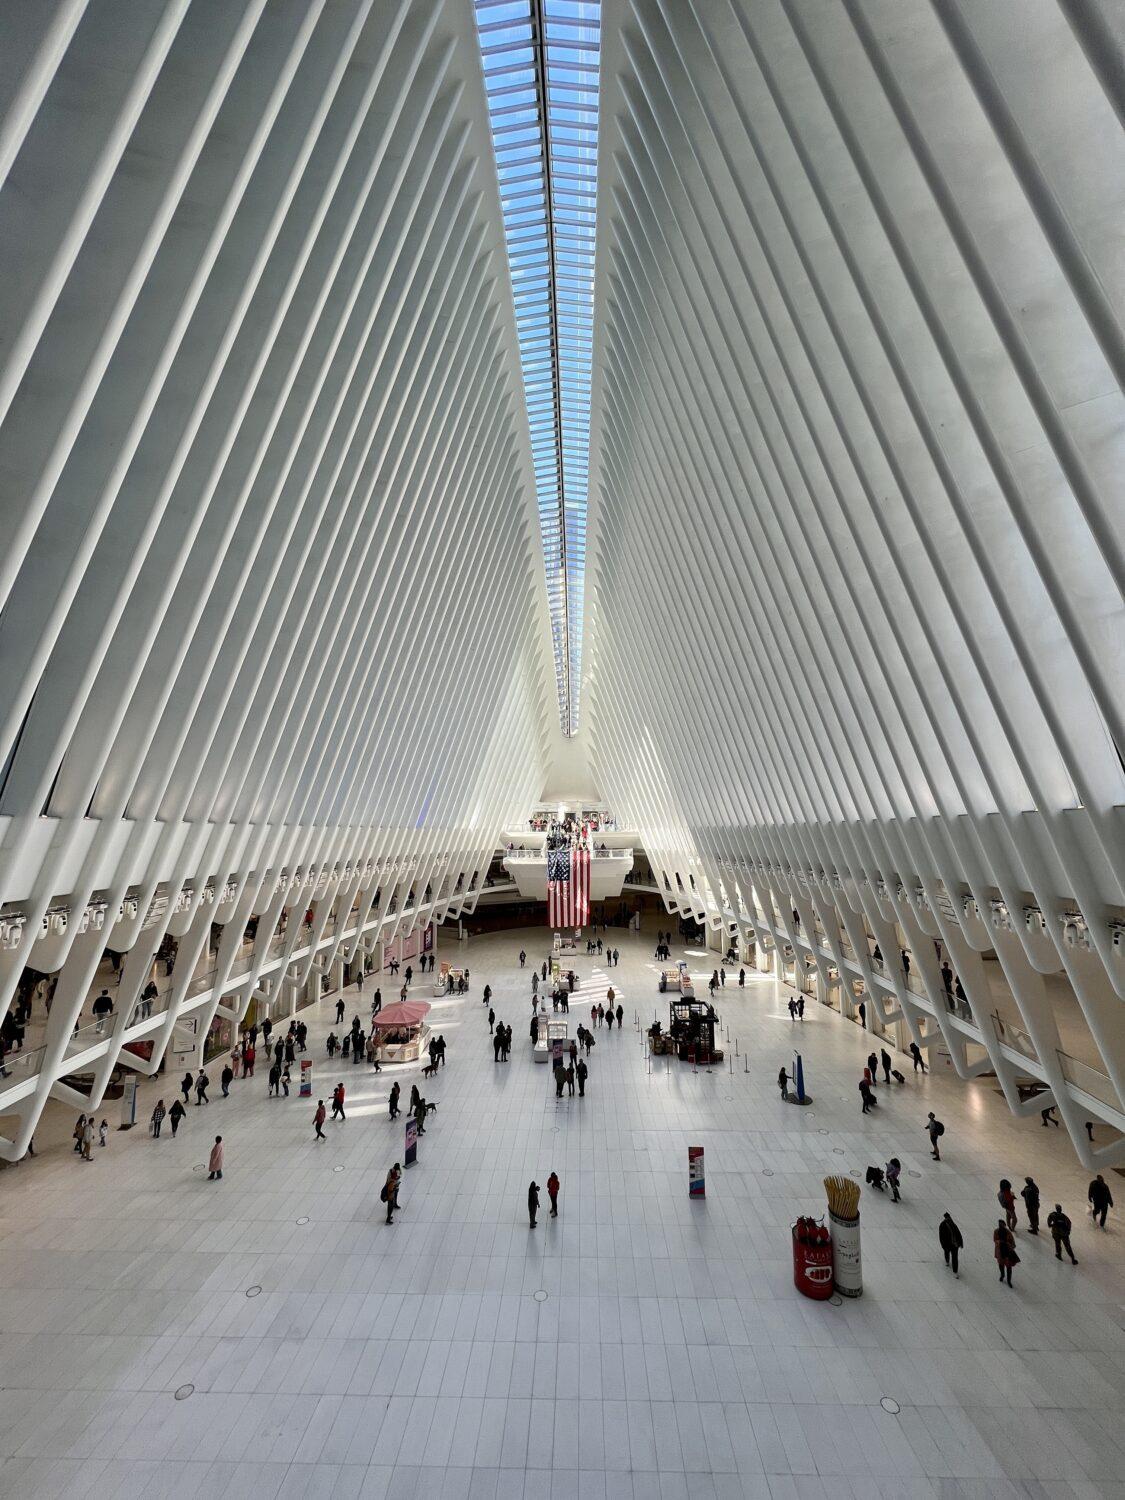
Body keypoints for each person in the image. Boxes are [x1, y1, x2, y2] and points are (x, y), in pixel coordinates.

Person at [993, 1220, 1018, 1286]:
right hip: (1000, 1250)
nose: (1000, 1226)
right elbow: (995, 1240)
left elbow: (1013, 1243)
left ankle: (1009, 1280)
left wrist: (1009, 1245)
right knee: (1001, 1264)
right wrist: (999, 1242)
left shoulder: (1008, 1232)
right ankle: (1002, 1275)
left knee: (1008, 1266)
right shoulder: (996, 1231)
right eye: (999, 1225)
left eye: (1001, 1225)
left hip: (1007, 1251)